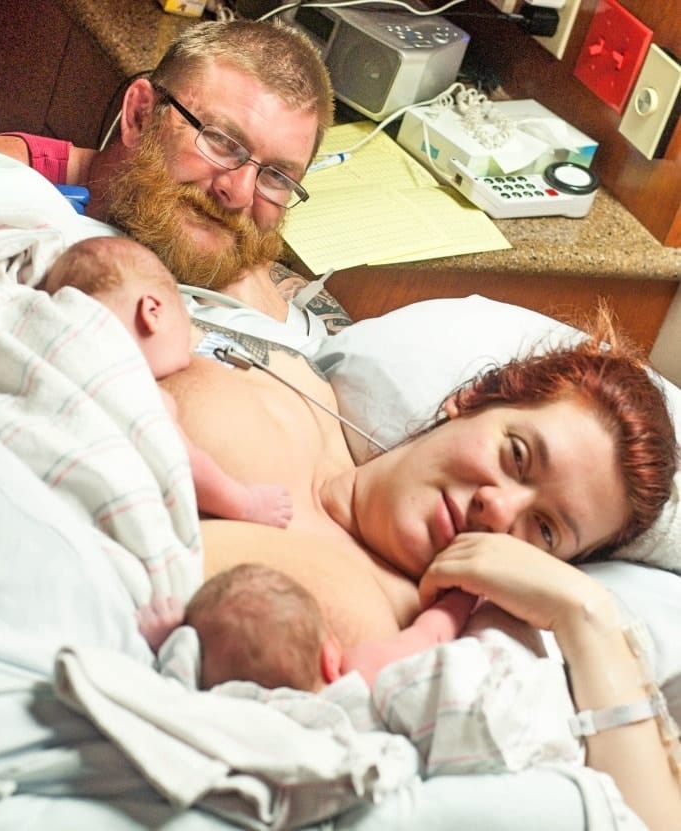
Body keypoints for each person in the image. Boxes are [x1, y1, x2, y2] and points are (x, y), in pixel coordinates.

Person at [156, 310, 680, 831]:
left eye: (544, 529)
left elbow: (640, 818)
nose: (498, 509)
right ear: (471, 399)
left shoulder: (419, 649)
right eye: (516, 456)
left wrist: (584, 612)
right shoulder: (287, 375)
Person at [0, 19, 343, 331]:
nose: (241, 193)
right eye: (220, 140)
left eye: (277, 176)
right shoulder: (2, 184)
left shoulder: (252, 273)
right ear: (140, 116)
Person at [44, 235, 292, 528]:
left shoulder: (53, 346)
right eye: (186, 330)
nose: (190, 349)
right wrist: (244, 503)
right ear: (152, 313)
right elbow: (183, 462)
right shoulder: (131, 386)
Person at [138, 562, 477, 690]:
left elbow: (172, 694)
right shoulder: (358, 675)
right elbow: (432, 633)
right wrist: (467, 590)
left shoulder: (242, 721)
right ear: (330, 657)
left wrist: (167, 641)